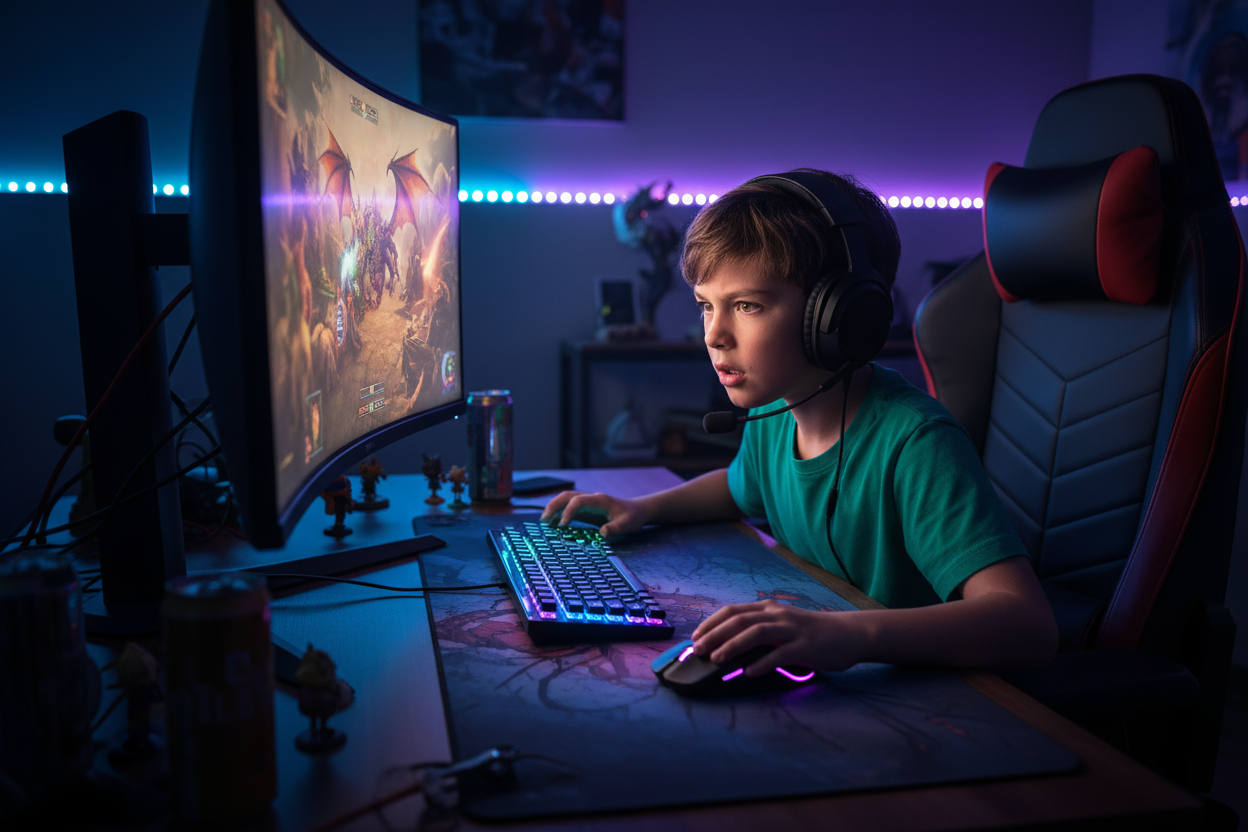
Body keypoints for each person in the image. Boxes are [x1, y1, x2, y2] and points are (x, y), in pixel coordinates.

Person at [542, 170, 1057, 676]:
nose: (715, 335)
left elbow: (1029, 625)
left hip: (937, 695)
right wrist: (641, 508)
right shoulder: (774, 411)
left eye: (747, 305)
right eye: (705, 306)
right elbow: (742, 488)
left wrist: (851, 636)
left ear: (836, 316)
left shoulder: (915, 444)